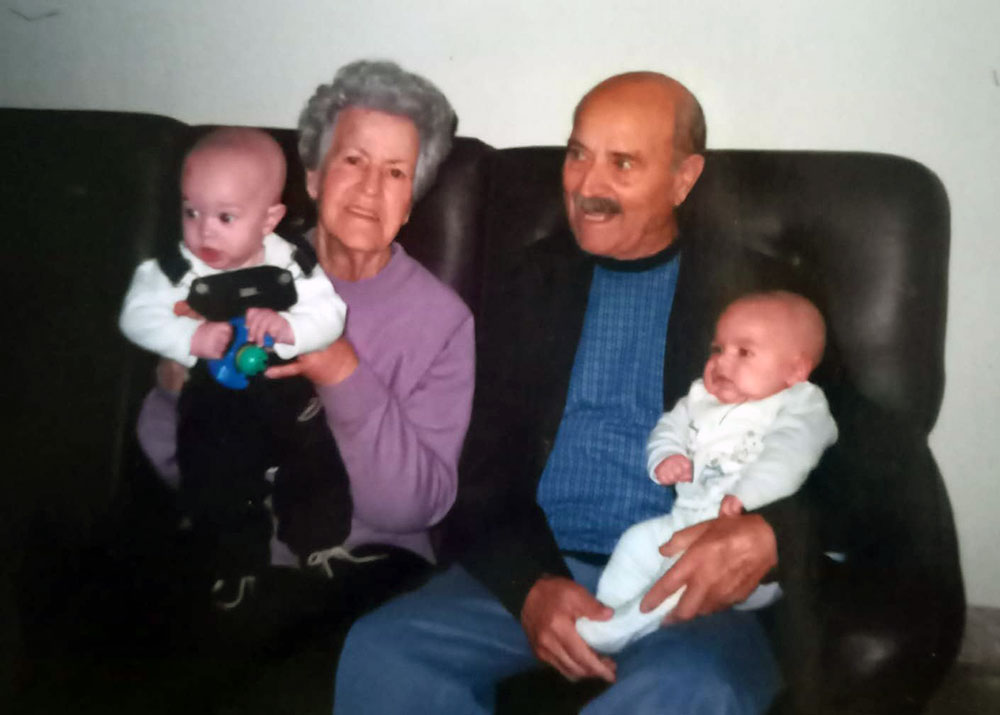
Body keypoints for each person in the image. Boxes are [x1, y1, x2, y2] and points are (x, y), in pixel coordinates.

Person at [334, 72, 788, 715]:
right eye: (578, 154)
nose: (586, 186)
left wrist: (771, 533)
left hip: (688, 581)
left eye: (622, 163)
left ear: (683, 179)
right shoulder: (530, 282)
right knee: (384, 653)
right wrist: (528, 586)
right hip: (546, 562)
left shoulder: (756, 294)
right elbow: (479, 464)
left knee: (692, 688)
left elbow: (858, 454)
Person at [135, 60, 474, 714]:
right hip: (235, 551)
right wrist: (175, 387)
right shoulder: (237, 277)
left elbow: (413, 509)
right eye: (353, 160)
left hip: (362, 564)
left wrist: (343, 371)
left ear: (411, 200)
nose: (371, 188)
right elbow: (171, 462)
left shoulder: (442, 321)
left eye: (396, 172)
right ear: (314, 176)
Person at [120, 127, 350, 606]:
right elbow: (136, 316)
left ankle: (320, 542)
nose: (204, 230)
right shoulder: (176, 269)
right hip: (215, 400)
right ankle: (234, 563)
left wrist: (290, 327)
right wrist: (189, 339)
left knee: (315, 461)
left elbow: (330, 315)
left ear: (270, 219)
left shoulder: (293, 262)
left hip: (283, 391)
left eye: (225, 217)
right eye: (191, 211)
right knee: (214, 477)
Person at [576, 291, 837, 655]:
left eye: (743, 352)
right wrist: (666, 456)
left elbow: (790, 453)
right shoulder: (699, 397)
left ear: (795, 371)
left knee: (684, 570)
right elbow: (668, 428)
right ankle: (608, 610)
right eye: (717, 349)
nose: (721, 362)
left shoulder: (799, 403)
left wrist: (749, 495)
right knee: (637, 543)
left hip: (743, 550)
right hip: (685, 519)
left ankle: (625, 626)